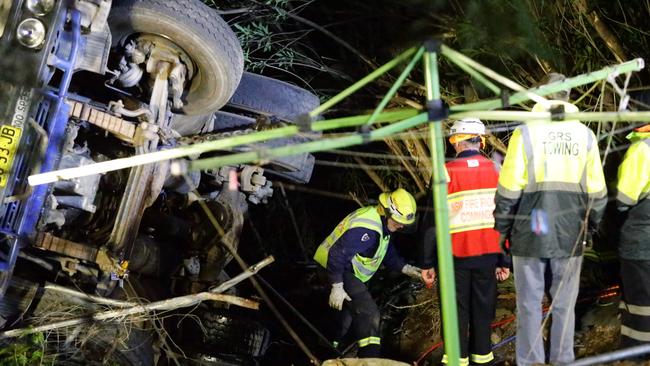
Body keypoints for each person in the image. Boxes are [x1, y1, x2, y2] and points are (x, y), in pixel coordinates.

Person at [493, 97, 607, 365]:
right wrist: (590, 228)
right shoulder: (586, 136)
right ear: (568, 100)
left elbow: (508, 191)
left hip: (530, 232)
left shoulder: (525, 134)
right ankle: (562, 360)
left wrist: (502, 230)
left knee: (529, 305)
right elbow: (599, 195)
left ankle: (531, 361)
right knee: (565, 306)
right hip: (570, 235)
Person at [420, 118, 510, 366]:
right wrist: (504, 259)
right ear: (480, 141)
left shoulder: (445, 173)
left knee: (456, 311)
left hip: (454, 258)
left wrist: (426, 263)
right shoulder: (496, 170)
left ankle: (457, 361)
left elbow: (431, 224)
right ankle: (483, 358)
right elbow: (505, 218)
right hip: (489, 255)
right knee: (483, 310)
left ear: (456, 142)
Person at [313, 188, 422, 358]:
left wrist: (408, 269)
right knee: (368, 313)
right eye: (398, 221)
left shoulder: (382, 224)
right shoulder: (367, 230)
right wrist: (337, 285)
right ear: (387, 211)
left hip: (344, 268)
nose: (401, 226)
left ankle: (323, 353)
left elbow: (386, 252)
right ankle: (369, 359)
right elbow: (336, 254)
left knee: (344, 317)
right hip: (336, 267)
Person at [615, 124, 650, 350]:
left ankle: (636, 354)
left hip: (642, 241)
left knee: (640, 304)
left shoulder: (642, 149)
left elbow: (624, 198)